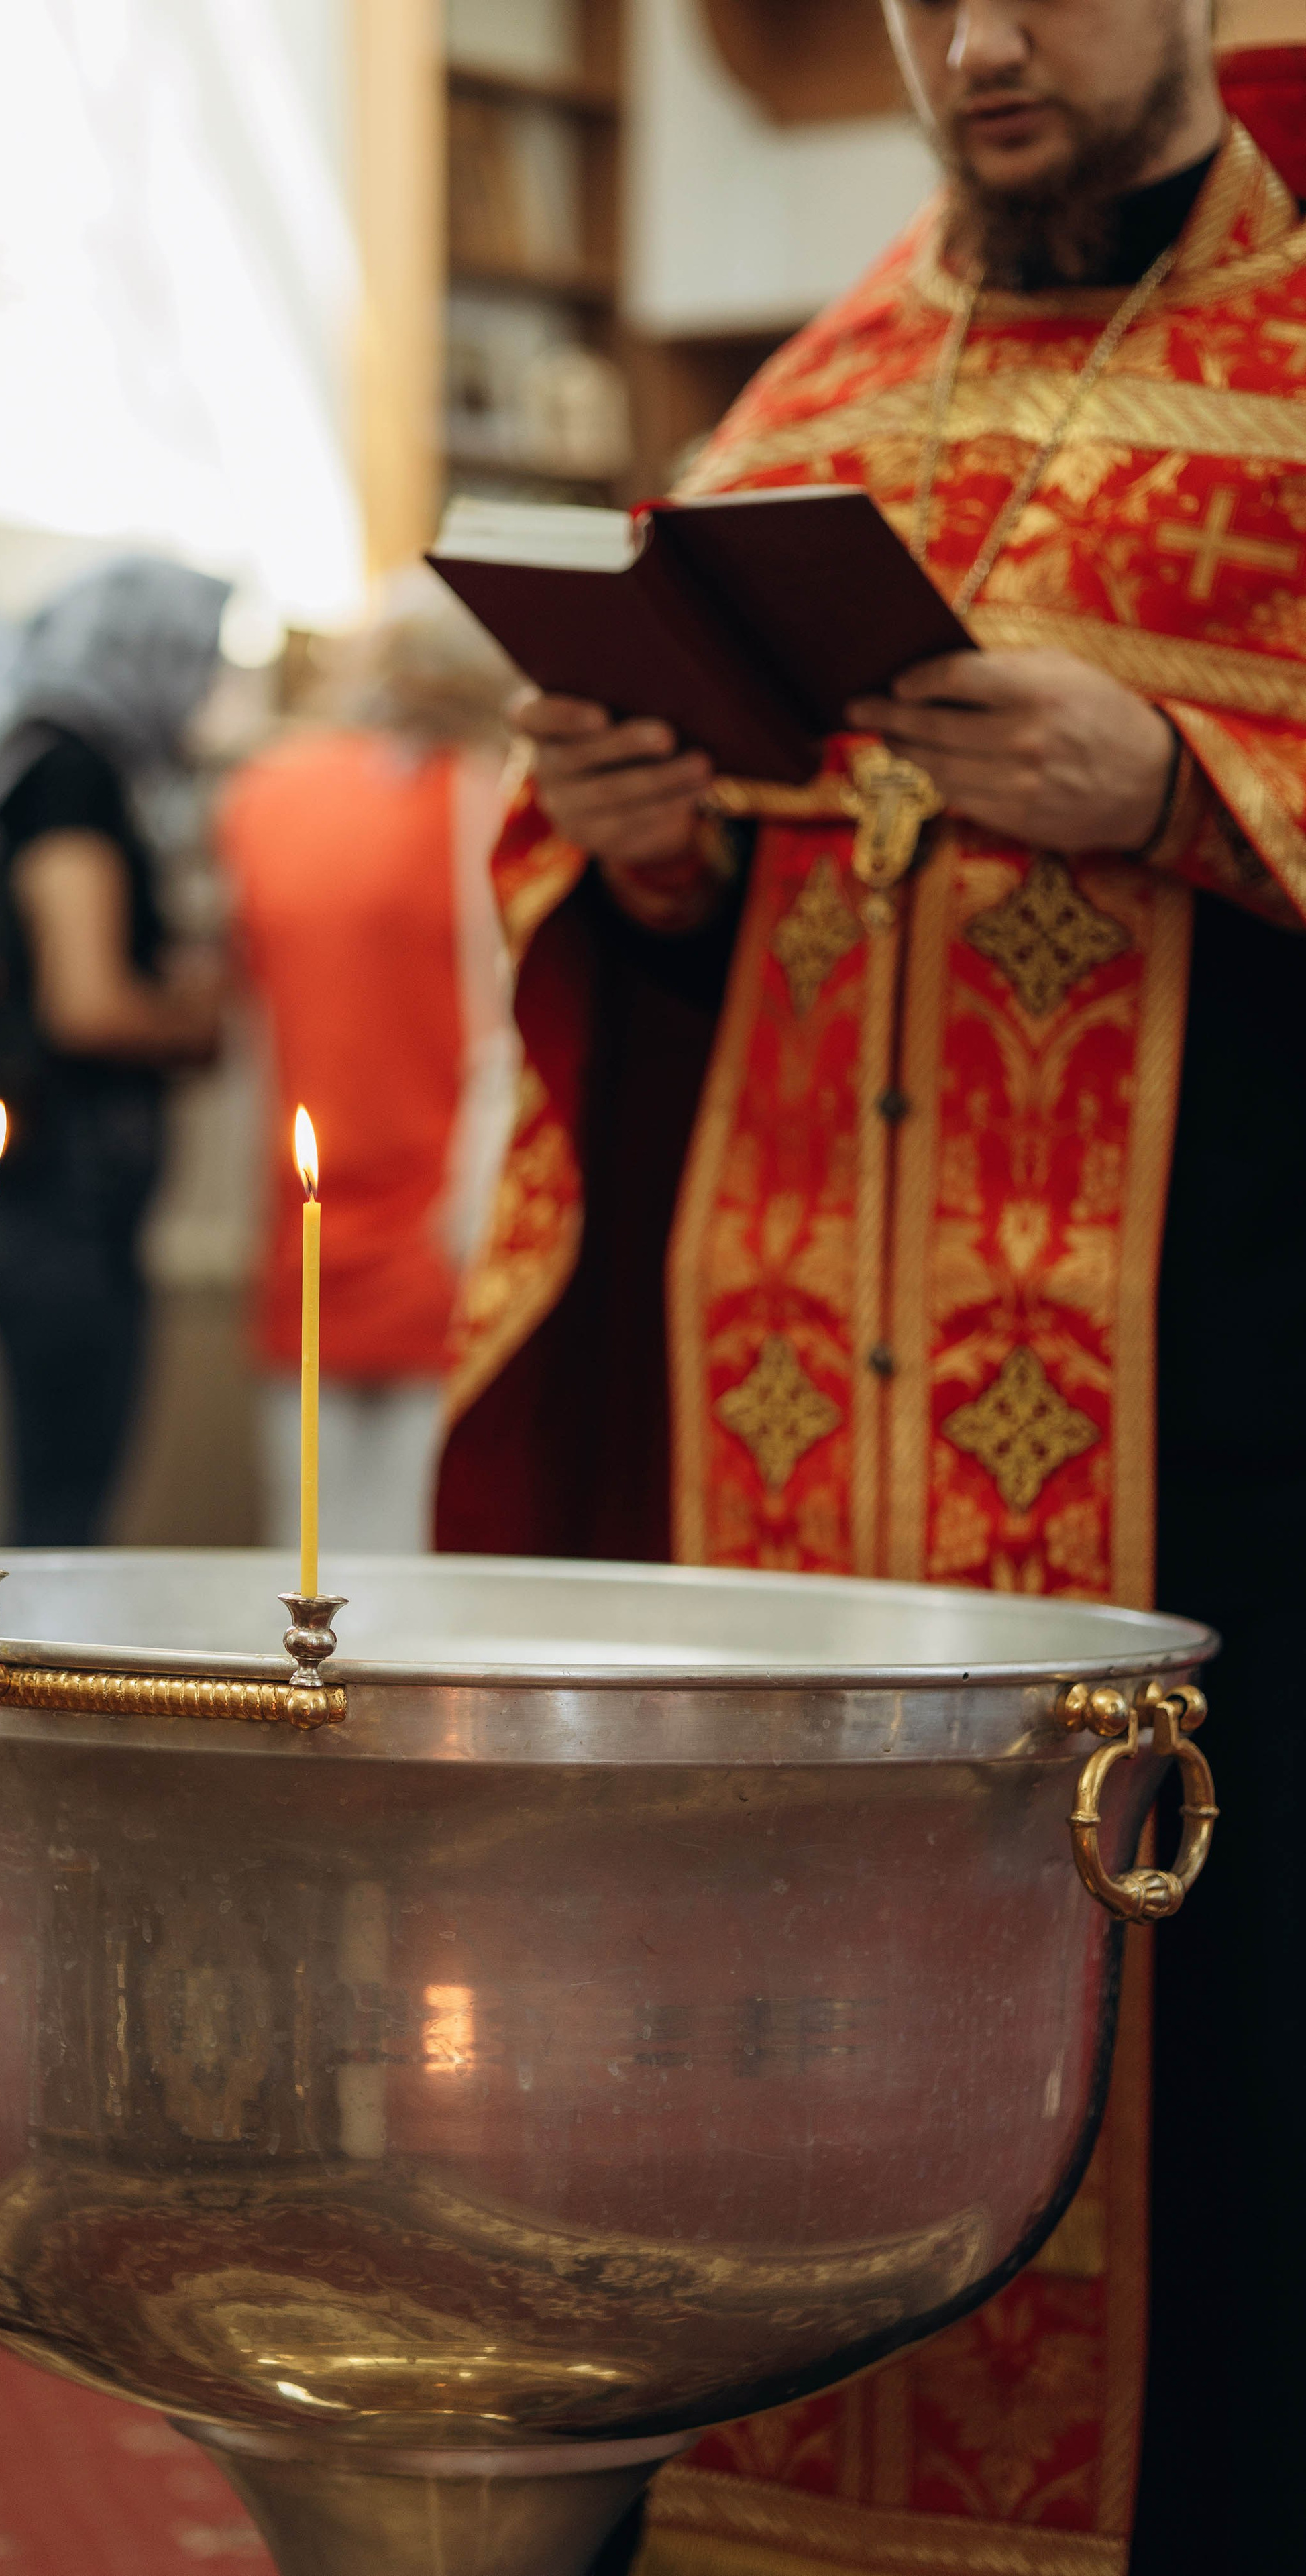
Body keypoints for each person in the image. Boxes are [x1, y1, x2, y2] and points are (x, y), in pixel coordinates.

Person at [436, 6, 1306, 2570]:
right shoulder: (805, 412)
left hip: (1220, 1464)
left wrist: (1179, 792)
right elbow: (671, 992)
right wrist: (648, 859)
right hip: (811, 1491)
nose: (983, 40)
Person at [218, 581, 516, 1556]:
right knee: (429, 1573)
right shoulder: (495, 798)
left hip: (304, 1222)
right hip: (454, 1229)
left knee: (301, 1574)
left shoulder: (264, 795)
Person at [0, 557, 229, 1545]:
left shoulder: (20, 753)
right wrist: (196, 1022)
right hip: (61, 1198)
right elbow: (88, 1004)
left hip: (40, 1190)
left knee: (51, 1509)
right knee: (59, 1526)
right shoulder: (72, 771)